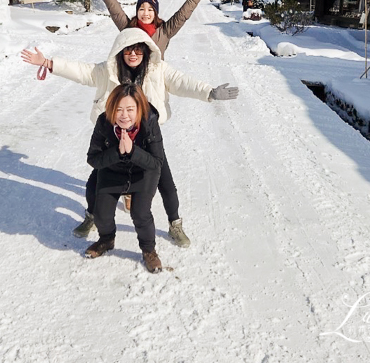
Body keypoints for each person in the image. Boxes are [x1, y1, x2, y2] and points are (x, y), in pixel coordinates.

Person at [21, 27, 238, 247]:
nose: (133, 55)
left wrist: (209, 92)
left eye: (137, 50)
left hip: (147, 135)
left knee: (166, 182)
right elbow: (81, 71)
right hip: (114, 135)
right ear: (120, 52)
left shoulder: (158, 69)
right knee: (95, 182)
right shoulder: (108, 70)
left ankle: (175, 223)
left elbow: (183, 82)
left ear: (145, 51)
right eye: (127, 51)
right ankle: (92, 217)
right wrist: (48, 63)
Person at [86, 83, 164, 273]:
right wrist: (118, 153)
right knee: (101, 214)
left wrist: (133, 151)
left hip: (143, 173)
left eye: (130, 109)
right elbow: (93, 159)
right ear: (112, 108)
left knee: (140, 214)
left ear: (139, 109)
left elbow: (156, 163)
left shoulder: (149, 122)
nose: (124, 115)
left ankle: (149, 251)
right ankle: (106, 240)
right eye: (119, 109)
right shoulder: (104, 122)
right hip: (112, 171)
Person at [78, 0, 218, 60]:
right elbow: (113, 6)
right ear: (137, 11)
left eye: (150, 10)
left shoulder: (164, 31)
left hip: (155, 87)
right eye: (142, 9)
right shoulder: (128, 29)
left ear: (155, 13)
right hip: (132, 88)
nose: (145, 13)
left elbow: (183, 14)